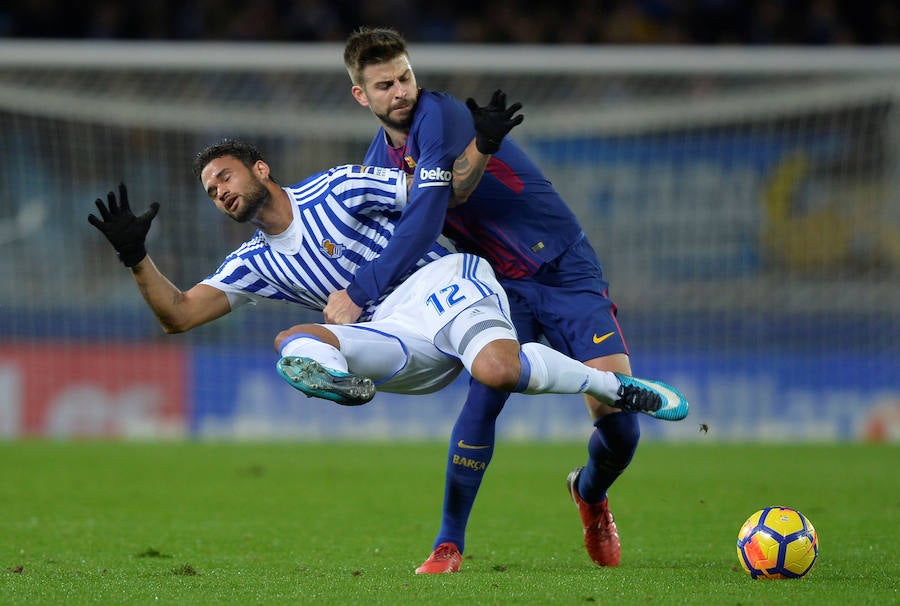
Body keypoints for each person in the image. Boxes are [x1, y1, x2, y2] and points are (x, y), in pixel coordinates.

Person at [343, 26, 671, 573]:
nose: (400, 91)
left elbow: (445, 200)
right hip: (498, 284)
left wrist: (360, 292)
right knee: (486, 392)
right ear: (362, 96)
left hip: (564, 266)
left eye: (404, 77)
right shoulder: (377, 163)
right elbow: (413, 223)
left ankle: (589, 494)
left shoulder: (439, 114)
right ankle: (448, 544)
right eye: (384, 85)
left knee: (618, 424)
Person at [87, 139, 687, 425]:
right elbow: (180, 315)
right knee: (294, 342)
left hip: (442, 284)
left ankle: (618, 390)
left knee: (499, 370)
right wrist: (136, 257)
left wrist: (478, 148)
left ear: (260, 169)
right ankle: (340, 383)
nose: (219, 191)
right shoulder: (253, 262)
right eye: (211, 190)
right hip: (393, 337)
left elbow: (438, 194)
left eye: (225, 176)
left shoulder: (342, 187)